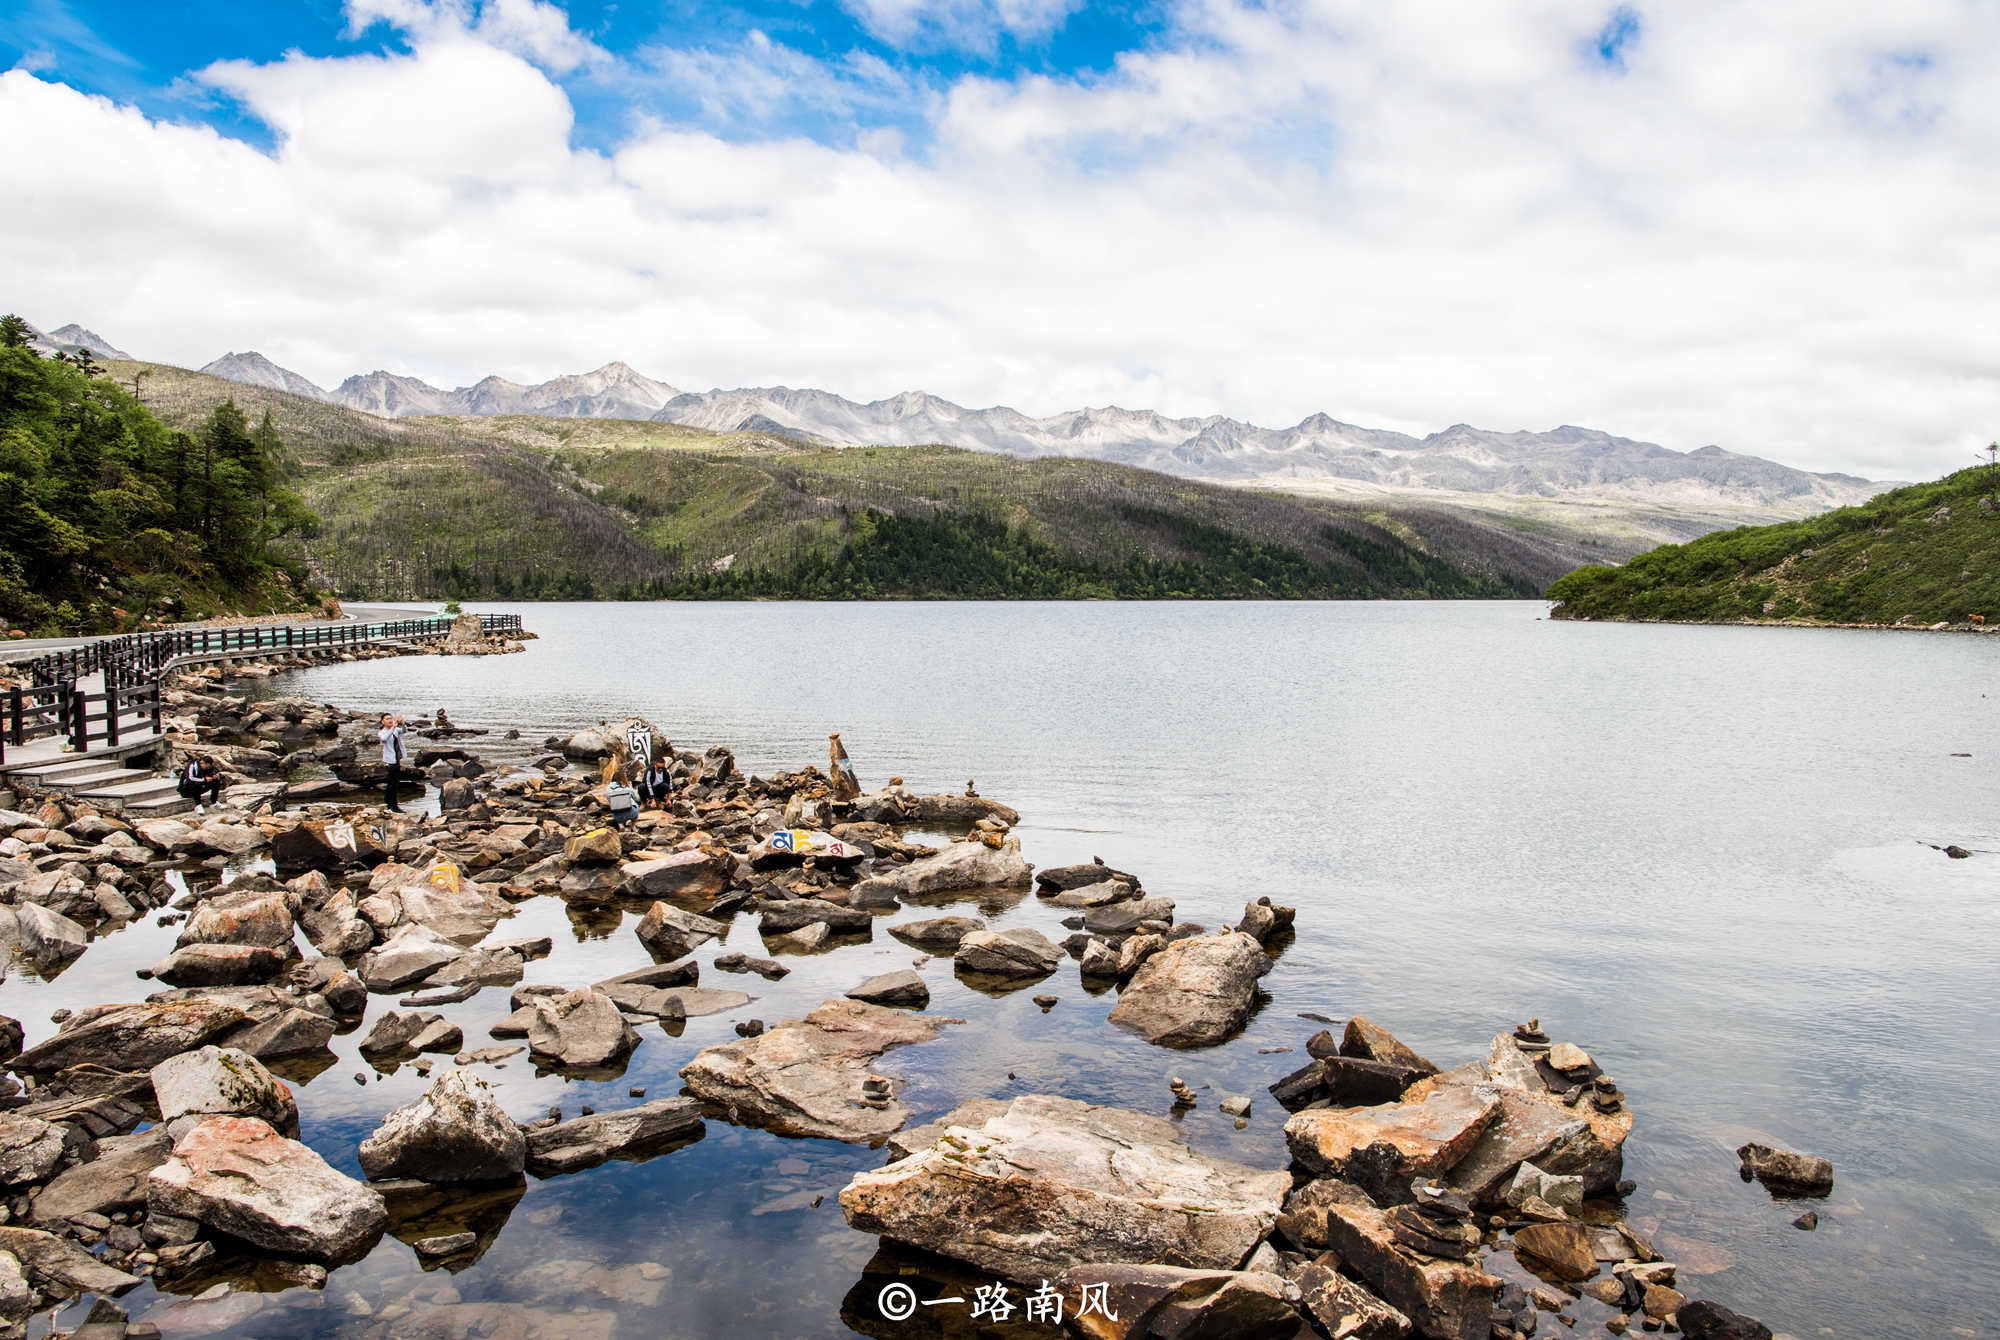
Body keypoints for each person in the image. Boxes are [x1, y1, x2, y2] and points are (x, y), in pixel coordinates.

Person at [379, 713, 408, 813]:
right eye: (387, 719)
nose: (390, 720)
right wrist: (392, 728)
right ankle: (393, 806)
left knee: (392, 782)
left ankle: (388, 802)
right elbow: (384, 738)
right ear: (383, 722)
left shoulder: (396, 730)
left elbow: (404, 731)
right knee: (394, 783)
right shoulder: (382, 732)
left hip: (397, 758)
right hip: (390, 760)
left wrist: (402, 723)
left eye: (391, 718)